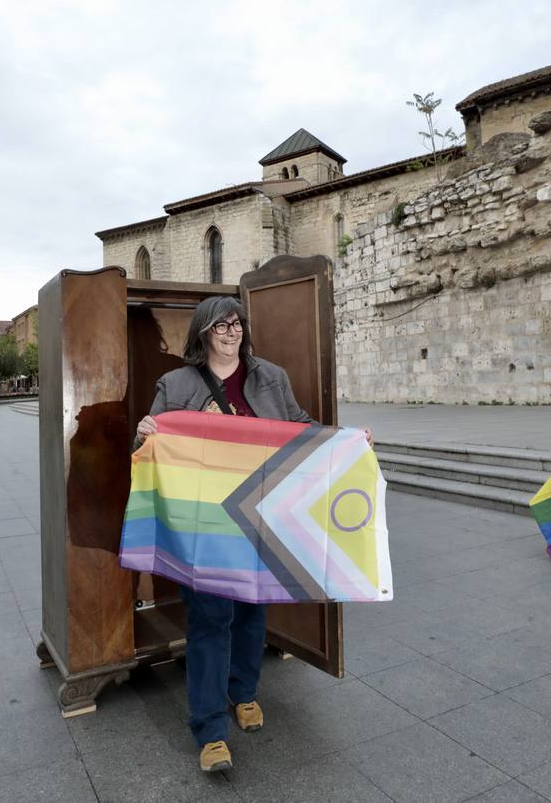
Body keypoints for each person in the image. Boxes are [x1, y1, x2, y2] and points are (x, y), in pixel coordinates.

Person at [134, 295, 369, 774]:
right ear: (203, 332)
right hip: (200, 525)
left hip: (259, 517)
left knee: (251, 611)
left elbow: (300, 429)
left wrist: (345, 440)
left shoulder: (270, 377)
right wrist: (143, 434)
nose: (231, 331)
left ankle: (243, 693)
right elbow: (146, 446)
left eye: (237, 323)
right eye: (221, 324)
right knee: (209, 620)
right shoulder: (176, 383)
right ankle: (210, 728)